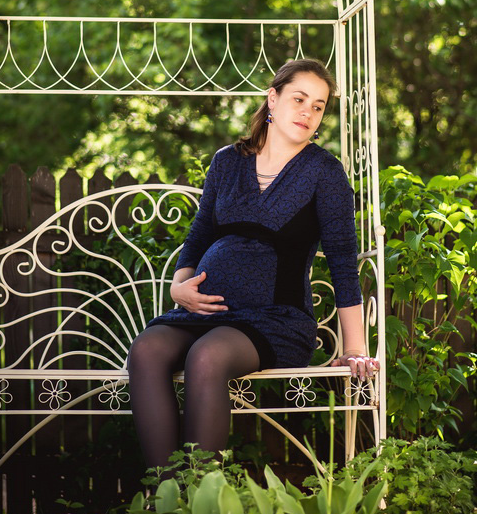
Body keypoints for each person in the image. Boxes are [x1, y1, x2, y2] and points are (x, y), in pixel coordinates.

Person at [127, 58, 378, 477]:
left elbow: (342, 261)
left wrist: (355, 349)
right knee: (146, 350)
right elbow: (199, 235)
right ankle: (164, 499)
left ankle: (201, 502)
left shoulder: (325, 173)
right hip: (206, 311)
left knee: (207, 357)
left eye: (318, 106)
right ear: (273, 99)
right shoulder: (227, 162)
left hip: (275, 319)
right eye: (299, 99)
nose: (308, 112)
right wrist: (178, 288)